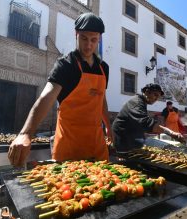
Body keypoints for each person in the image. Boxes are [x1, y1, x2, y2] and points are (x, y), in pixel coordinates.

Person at [8, 13, 113, 166]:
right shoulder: (65, 65)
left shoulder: (104, 68)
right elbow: (46, 98)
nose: (89, 45)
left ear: (99, 39)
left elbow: (101, 98)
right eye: (84, 38)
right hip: (69, 145)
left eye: (94, 40)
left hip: (96, 144)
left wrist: (108, 127)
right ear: (76, 34)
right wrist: (25, 133)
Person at [112, 84, 184, 152]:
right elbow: (146, 123)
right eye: (155, 95)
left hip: (132, 138)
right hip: (123, 140)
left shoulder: (141, 102)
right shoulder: (137, 102)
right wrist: (171, 133)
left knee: (166, 147)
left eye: (158, 97)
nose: (156, 99)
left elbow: (139, 123)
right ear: (147, 92)